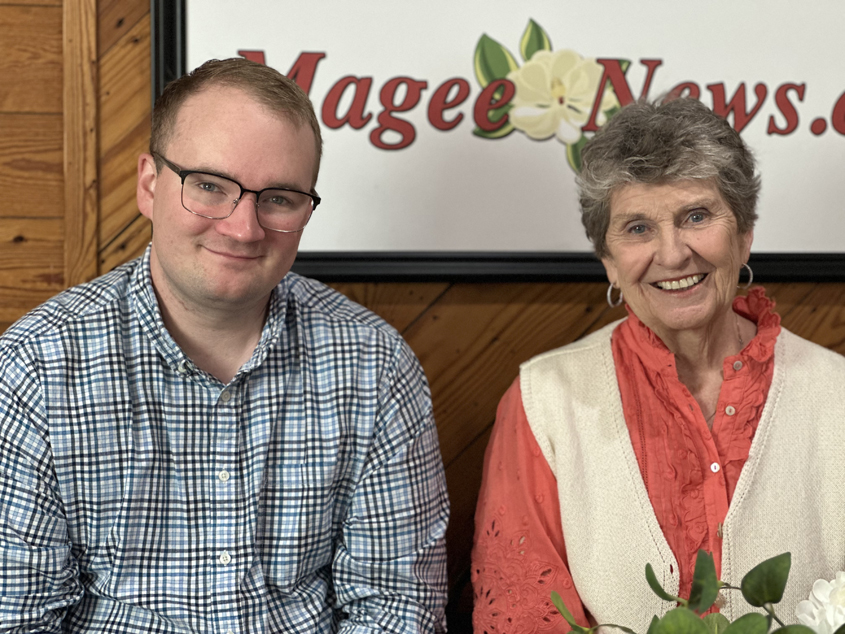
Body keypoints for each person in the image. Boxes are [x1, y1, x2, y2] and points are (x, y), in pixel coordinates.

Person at [0, 58, 449, 633]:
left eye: (280, 198)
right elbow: (17, 619)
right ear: (149, 185)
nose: (243, 228)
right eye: (210, 186)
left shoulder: (375, 365)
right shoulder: (35, 368)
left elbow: (396, 610)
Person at [471, 98, 845, 632]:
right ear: (608, 261)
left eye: (696, 216)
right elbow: (523, 617)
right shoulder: (543, 400)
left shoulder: (839, 395)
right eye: (638, 228)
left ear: (744, 234)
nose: (671, 255)